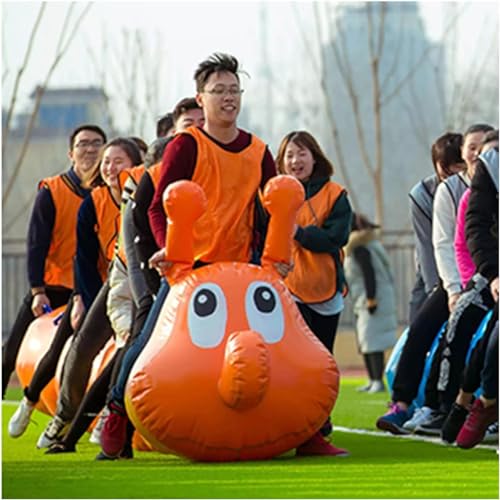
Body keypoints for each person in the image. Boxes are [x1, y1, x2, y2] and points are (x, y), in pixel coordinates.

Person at [99, 53, 277, 459]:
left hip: (241, 272)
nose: (228, 98)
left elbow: (271, 210)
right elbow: (157, 207)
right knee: (147, 343)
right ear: (202, 98)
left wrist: (271, 256)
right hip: (189, 271)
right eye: (219, 91)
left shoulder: (259, 151)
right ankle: (115, 412)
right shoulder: (186, 145)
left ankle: (306, 430)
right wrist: (169, 249)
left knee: (274, 346)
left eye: (234, 91)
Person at [43, 98, 205, 457]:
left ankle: (116, 424)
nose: (111, 168)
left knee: (143, 345)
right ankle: (76, 420)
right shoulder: (151, 175)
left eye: (200, 122)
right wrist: (154, 274)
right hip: (136, 267)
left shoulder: (215, 164)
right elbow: (137, 230)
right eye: (188, 124)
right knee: (105, 343)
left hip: (189, 270)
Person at [14, 138, 143, 448]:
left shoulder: (142, 195)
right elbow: (82, 259)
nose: (111, 168)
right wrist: (82, 299)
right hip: (101, 287)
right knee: (79, 346)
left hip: (137, 286)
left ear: (135, 165)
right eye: (107, 161)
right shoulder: (92, 202)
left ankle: (106, 420)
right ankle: (59, 413)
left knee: (125, 349)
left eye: (119, 161)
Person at [375, 124, 493, 435]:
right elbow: (446, 244)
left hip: (488, 277)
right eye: (473, 147)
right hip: (459, 276)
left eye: (487, 147)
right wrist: (454, 289)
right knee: (425, 328)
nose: (480, 153)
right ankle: (414, 403)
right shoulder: (452, 191)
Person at [2, 124, 107, 399]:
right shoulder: (52, 190)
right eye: (83, 143)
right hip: (52, 286)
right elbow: (36, 243)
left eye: (97, 143)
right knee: (10, 354)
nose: (90, 149)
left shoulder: (108, 193)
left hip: (90, 291)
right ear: (71, 153)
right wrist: (37, 290)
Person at [275, 130, 352, 456]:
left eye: (302, 153)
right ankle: (293, 427)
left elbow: (336, 238)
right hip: (287, 290)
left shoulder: (335, 194)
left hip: (324, 289)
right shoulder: (273, 194)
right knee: (293, 363)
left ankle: (320, 425)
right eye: (290, 155)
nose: (296, 161)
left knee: (321, 362)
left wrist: (298, 233)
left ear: (315, 156)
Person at [407, 133, 465, 322]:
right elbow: (427, 246)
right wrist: (436, 289)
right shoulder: (422, 195)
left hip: (469, 267)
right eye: (445, 175)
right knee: (418, 321)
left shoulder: (476, 188)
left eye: (457, 173)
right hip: (435, 268)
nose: (451, 181)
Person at [344, 213, 397, 394]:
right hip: (365, 299)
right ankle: (372, 379)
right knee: (366, 340)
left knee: (372, 341)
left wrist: (371, 298)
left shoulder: (360, 247)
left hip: (372, 299)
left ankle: (377, 380)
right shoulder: (365, 245)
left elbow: (369, 274)